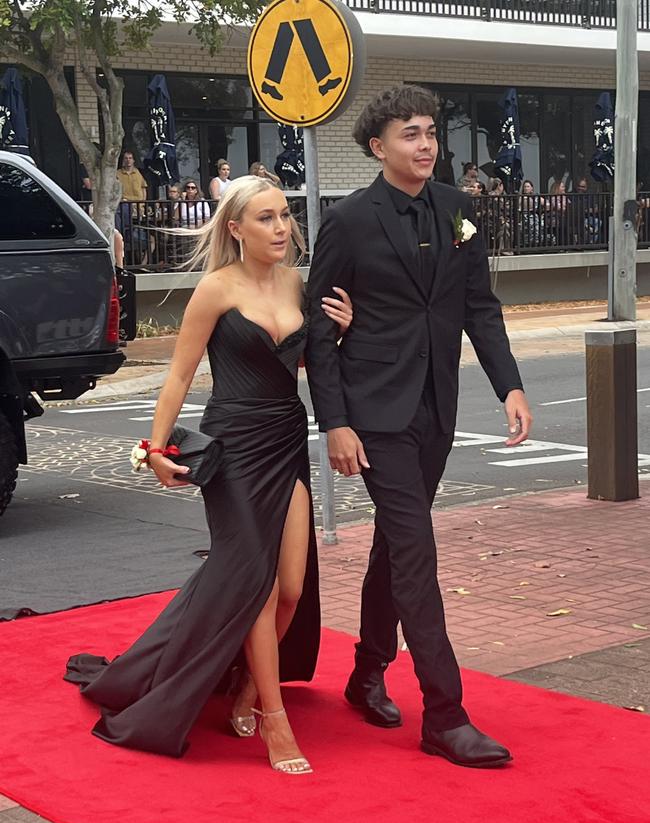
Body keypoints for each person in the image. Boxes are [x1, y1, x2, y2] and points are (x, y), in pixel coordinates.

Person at [64, 176, 354, 773]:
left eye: (285, 217)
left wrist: (341, 331)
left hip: (285, 439)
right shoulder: (215, 290)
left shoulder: (298, 283)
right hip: (236, 449)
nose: (282, 228)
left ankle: (249, 685)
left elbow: (312, 360)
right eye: (268, 219)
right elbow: (178, 375)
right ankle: (275, 721)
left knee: (293, 587)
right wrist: (155, 447)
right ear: (235, 228)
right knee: (257, 583)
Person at [305, 85, 532, 770]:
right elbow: (318, 331)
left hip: (436, 405)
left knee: (395, 547)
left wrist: (510, 384)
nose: (426, 144)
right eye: (410, 134)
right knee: (417, 551)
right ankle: (446, 713)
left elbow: (478, 306)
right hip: (375, 414)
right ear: (379, 146)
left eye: (431, 132)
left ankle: (367, 668)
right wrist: (336, 424)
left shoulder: (458, 209)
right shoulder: (348, 220)